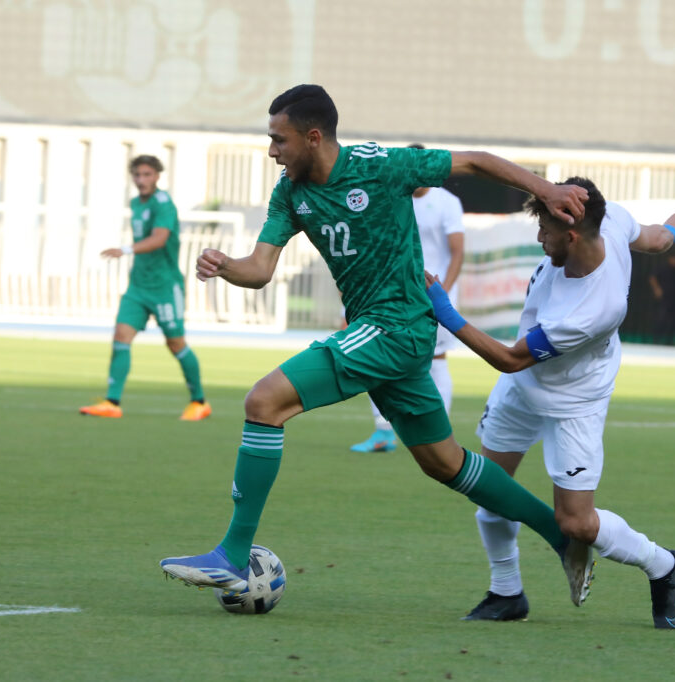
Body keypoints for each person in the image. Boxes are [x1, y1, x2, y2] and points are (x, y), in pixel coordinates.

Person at [158, 84, 596, 608]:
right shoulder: (290, 192)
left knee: (263, 401)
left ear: (313, 137)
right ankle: (560, 534)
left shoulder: (380, 165)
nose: (272, 150)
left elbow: (476, 161)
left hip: (398, 325)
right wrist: (226, 266)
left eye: (279, 139)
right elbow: (260, 268)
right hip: (386, 333)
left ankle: (232, 553)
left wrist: (545, 189)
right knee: (444, 463)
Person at [424, 177, 675, 628]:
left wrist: (446, 312)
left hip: (574, 401)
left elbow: (510, 359)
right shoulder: (606, 218)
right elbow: (649, 237)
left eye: (545, 232)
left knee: (576, 524)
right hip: (524, 387)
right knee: (491, 488)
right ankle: (506, 592)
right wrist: (671, 231)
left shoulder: (594, 308)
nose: (539, 238)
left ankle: (665, 565)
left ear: (572, 235)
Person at [351, 143, 465, 453]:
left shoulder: (447, 202)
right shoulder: (390, 198)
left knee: (436, 360)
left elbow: (457, 252)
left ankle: (439, 434)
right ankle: (383, 432)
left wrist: (443, 294)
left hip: (433, 295)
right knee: (377, 356)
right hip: (394, 295)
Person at [79, 156, 211, 421]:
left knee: (175, 343)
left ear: (157, 177)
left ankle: (199, 402)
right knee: (121, 336)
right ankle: (112, 401)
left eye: (147, 175)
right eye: (137, 175)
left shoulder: (164, 204)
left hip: (164, 286)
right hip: (138, 286)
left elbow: (160, 239)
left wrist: (125, 249)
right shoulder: (135, 204)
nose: (141, 180)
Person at [648, 253, 675, 345]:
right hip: (664, 298)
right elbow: (652, 277)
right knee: (661, 318)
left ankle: (670, 340)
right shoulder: (663, 268)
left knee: (674, 320)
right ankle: (656, 339)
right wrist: (657, 289)